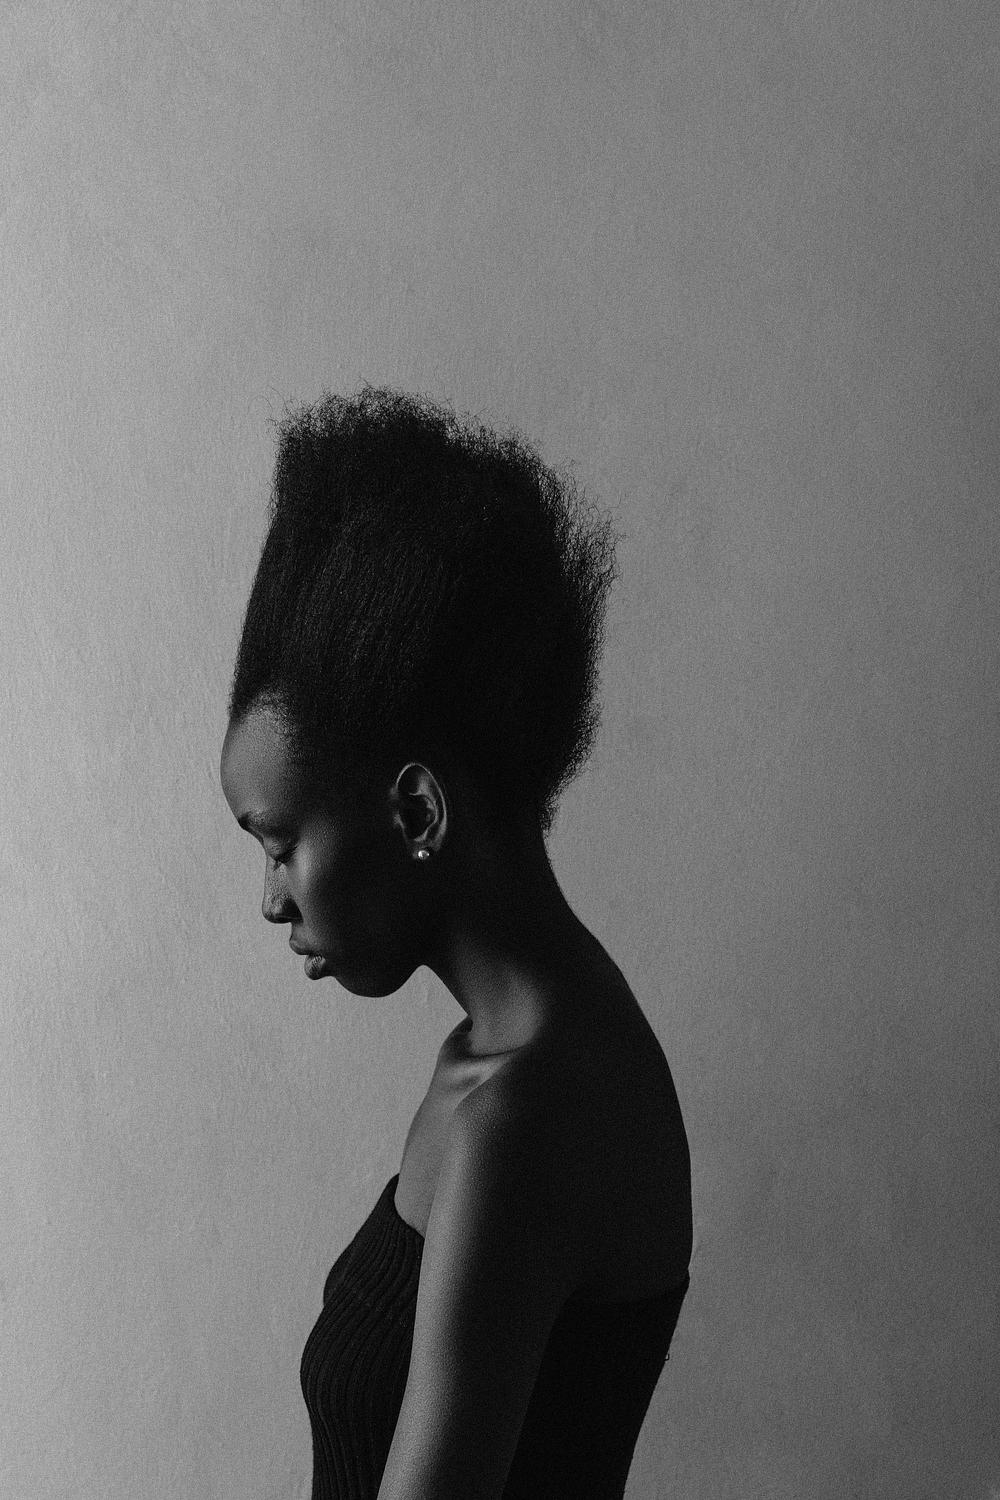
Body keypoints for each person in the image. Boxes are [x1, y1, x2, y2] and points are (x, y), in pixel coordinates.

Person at [219, 387, 692, 1499]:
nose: (271, 900)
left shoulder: (522, 1120)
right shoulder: (513, 1061)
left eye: (280, 845)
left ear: (417, 810)